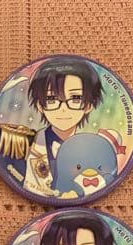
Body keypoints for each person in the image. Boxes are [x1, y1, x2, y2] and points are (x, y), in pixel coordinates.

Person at [23, 59, 104, 199]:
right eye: (52, 99)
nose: (63, 109)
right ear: (40, 105)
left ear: (88, 105)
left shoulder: (94, 150)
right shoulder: (26, 144)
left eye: (75, 98)